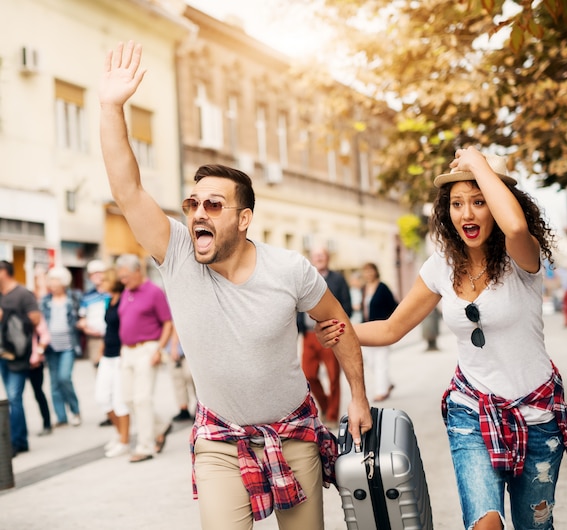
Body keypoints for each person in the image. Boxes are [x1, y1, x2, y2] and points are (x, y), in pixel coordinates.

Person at [99, 40, 371, 529]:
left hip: (294, 435)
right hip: (220, 440)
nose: (199, 212)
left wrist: (358, 396)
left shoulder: (289, 269)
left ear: (244, 218)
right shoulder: (178, 253)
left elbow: (337, 322)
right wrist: (110, 106)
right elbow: (127, 189)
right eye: (193, 203)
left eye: (214, 205)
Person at [317, 147, 567, 530]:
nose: (466, 213)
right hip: (472, 411)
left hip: (537, 414)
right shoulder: (440, 268)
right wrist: (339, 330)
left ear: (499, 204)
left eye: (479, 201)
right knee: (484, 524)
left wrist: (477, 162)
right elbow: (391, 327)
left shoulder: (522, 259)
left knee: (535, 525)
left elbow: (515, 228)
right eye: (457, 203)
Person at [115, 253, 173, 463]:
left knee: (142, 399)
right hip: (127, 351)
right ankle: (161, 426)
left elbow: (167, 322)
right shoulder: (126, 292)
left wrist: (159, 349)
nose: (123, 280)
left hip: (147, 349)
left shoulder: (154, 292)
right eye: (120, 277)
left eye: (126, 276)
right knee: (128, 398)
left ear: (137, 271)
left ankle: (146, 446)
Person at [297, 245, 352, 428]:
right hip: (308, 335)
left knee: (333, 376)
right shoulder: (303, 278)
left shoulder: (337, 279)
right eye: (316, 255)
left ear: (327, 258)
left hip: (330, 334)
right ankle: (327, 407)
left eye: (322, 255)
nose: (319, 258)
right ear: (311, 258)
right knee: (309, 375)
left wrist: (337, 325)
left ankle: (332, 415)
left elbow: (347, 305)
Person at [0, 260, 41, 457]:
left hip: (19, 354)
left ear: (4, 272)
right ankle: (19, 439)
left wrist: (7, 316)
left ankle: (17, 442)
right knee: (10, 398)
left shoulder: (23, 294)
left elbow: (36, 319)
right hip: (3, 354)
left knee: (15, 397)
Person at [94, 268, 131, 458]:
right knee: (102, 398)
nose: (100, 283)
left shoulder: (125, 299)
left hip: (120, 355)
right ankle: (120, 434)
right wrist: (100, 351)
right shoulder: (109, 300)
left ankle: (124, 441)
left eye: (104, 280)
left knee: (120, 401)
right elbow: (108, 328)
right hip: (107, 355)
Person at [40, 266, 83, 428]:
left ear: (63, 282)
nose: (52, 284)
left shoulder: (74, 297)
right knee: (54, 382)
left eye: (55, 280)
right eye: (50, 280)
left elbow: (83, 312)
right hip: (51, 347)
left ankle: (75, 410)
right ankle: (61, 416)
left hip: (68, 345)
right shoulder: (45, 301)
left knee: (64, 377)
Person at [360, 262, 398, 402]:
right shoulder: (364, 288)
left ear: (376, 272)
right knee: (371, 361)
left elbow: (394, 306)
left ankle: (381, 392)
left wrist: (389, 323)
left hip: (382, 329)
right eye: (365, 271)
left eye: (370, 271)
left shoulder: (382, 288)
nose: (368, 274)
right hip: (368, 329)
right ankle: (387, 383)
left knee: (381, 361)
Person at [77, 259, 110, 369]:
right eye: (93, 274)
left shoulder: (112, 292)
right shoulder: (87, 296)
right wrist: (86, 329)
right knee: (98, 370)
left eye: (99, 272)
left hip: (113, 337)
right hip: (95, 339)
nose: (96, 276)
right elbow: (82, 318)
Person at [29, 316, 53, 436]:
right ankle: (17, 432)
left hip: (35, 361)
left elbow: (45, 336)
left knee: (38, 393)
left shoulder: (32, 312)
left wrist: (38, 354)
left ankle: (47, 423)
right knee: (14, 399)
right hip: (13, 361)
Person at [167, 325, 196, 422]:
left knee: (193, 379)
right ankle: (184, 410)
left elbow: (175, 324)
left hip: (187, 349)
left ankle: (199, 409)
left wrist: (174, 345)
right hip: (171, 351)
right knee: (178, 381)